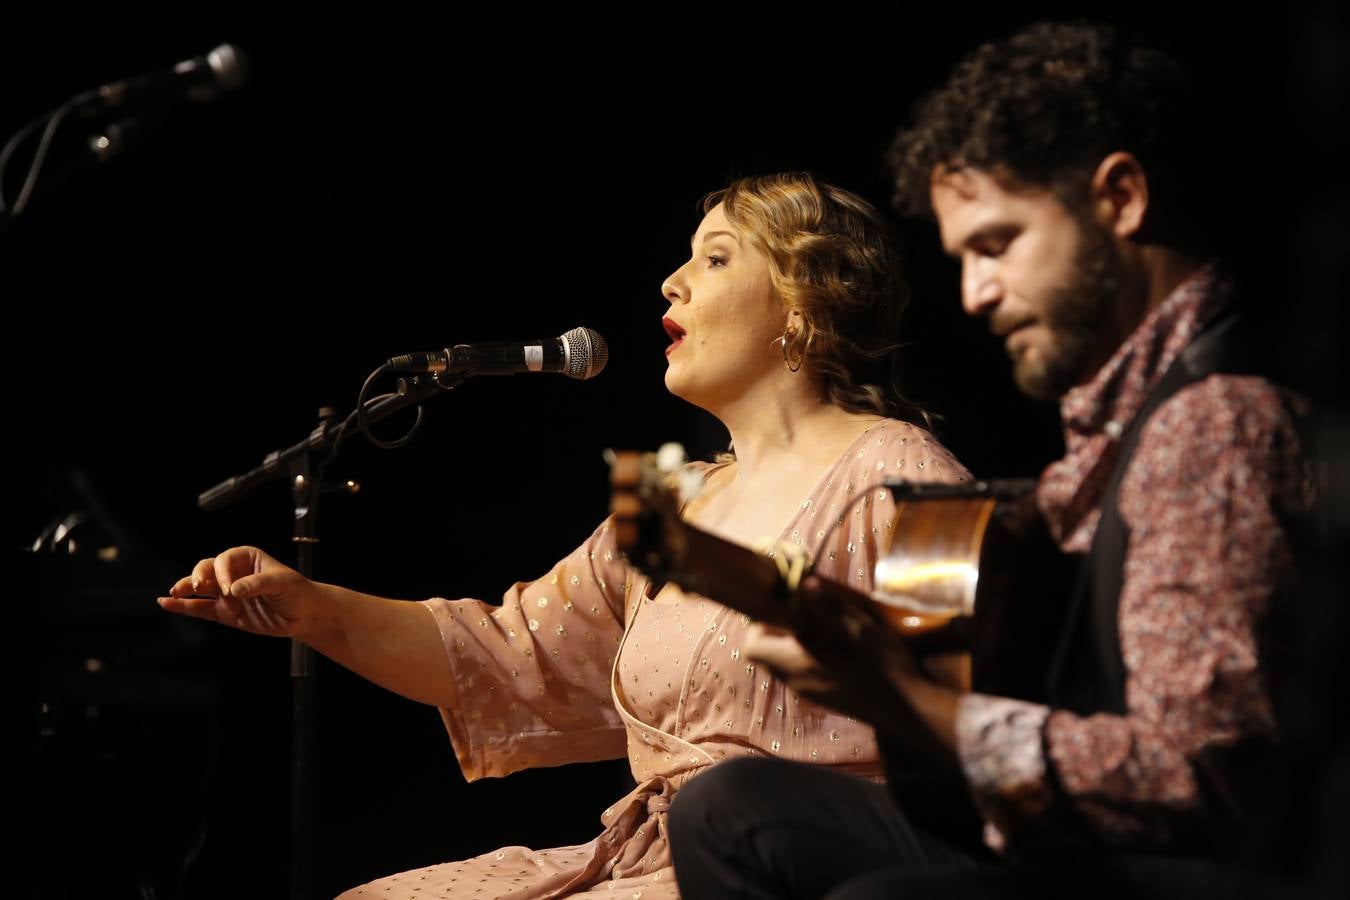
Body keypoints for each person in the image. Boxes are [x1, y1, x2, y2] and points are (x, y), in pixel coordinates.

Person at [157, 171, 971, 898]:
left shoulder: (909, 471)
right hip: (639, 862)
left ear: (805, 301)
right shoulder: (664, 496)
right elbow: (510, 655)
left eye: (716, 259)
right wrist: (310, 608)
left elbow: (973, 719)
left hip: (792, 867)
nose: (673, 282)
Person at [668, 23, 1321, 900]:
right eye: (962, 259)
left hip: (1197, 868)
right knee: (726, 807)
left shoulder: (1214, 423)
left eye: (998, 244)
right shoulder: (1129, 421)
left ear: (1120, 199)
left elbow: (1196, 778)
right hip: (1086, 834)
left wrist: (914, 701)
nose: (975, 294)